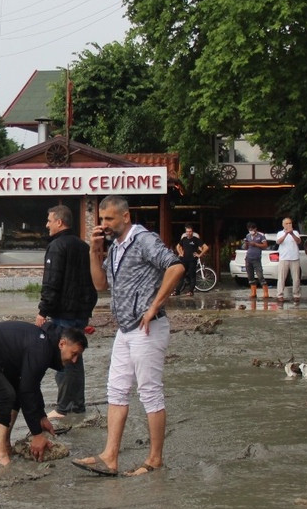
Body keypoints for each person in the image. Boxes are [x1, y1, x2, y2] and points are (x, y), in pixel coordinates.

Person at [72, 195, 183, 478]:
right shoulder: (117, 248)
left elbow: (176, 266)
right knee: (116, 390)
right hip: (125, 329)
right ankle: (110, 456)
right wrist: (94, 252)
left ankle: (155, 459)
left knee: (149, 392)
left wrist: (154, 306)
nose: (104, 225)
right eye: (101, 219)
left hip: (149, 327)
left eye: (109, 219)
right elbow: (100, 284)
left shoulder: (144, 239)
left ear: (125, 216)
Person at [0, 320, 87, 466]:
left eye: (78, 356)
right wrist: (37, 434)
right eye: (74, 354)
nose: (74, 360)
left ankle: (6, 446)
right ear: (62, 344)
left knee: (14, 394)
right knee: (5, 396)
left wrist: (41, 416)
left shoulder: (45, 345)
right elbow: (27, 391)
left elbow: (33, 386)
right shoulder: (41, 349)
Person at [36, 205, 98, 420]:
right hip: (81, 311)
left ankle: (63, 408)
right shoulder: (83, 246)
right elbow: (92, 281)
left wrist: (43, 311)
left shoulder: (56, 247)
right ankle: (78, 406)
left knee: (64, 358)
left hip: (64, 312)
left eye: (49, 220)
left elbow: (51, 282)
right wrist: (88, 307)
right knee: (75, 358)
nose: (47, 224)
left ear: (59, 222)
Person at [173, 223, 207, 296]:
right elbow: (178, 246)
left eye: (190, 231)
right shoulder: (184, 239)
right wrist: (181, 253)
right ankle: (177, 291)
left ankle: (191, 291)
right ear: (185, 232)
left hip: (192, 260)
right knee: (181, 276)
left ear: (192, 231)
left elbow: (206, 247)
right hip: (184, 260)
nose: (189, 233)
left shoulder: (196, 239)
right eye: (187, 231)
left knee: (192, 276)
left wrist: (199, 255)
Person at [274, 217, 302, 303]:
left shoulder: (296, 232)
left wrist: (292, 233)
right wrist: (286, 234)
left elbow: (299, 241)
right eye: (287, 223)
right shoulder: (280, 233)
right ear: (283, 225)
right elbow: (278, 242)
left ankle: (296, 295)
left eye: (290, 223)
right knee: (281, 278)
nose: (289, 225)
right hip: (284, 258)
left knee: (296, 278)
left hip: (294, 258)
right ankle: (280, 295)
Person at [244, 223, 268, 299]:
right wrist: (246, 244)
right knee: (250, 276)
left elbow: (265, 245)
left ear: (255, 229)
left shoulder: (261, 235)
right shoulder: (247, 236)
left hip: (257, 258)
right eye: (249, 229)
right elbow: (246, 247)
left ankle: (265, 293)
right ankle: (253, 292)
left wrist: (255, 244)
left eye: (252, 229)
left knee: (260, 275)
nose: (251, 231)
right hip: (248, 257)